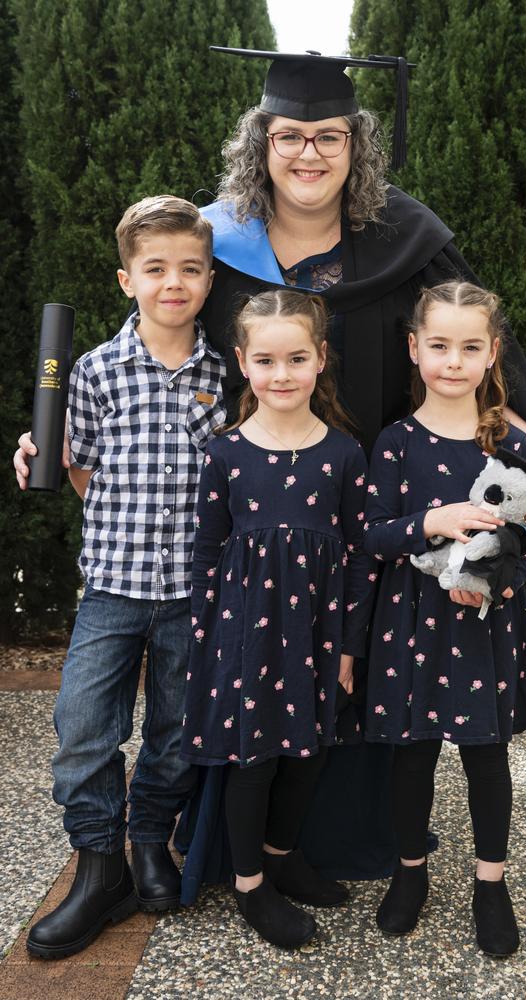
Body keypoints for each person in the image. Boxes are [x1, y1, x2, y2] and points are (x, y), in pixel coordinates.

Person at [15, 48, 526, 884]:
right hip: (254, 509)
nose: (310, 153)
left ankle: (337, 843)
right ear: (261, 142)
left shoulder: (407, 235)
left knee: (347, 666)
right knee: (244, 677)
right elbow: (158, 353)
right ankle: (218, 853)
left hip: (367, 493)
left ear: (357, 145)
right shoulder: (215, 241)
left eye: (330, 137)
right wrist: (58, 434)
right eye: (291, 135)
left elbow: (485, 344)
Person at [26, 196, 226, 959]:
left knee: (175, 733)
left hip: (193, 595)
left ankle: (150, 840)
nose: (173, 282)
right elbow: (73, 462)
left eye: (189, 269)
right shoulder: (93, 369)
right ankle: (98, 863)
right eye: (155, 269)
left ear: (208, 279)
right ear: (126, 279)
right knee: (83, 731)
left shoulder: (227, 370)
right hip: (112, 586)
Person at [180, 289, 375, 947]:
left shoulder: (345, 455)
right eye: (266, 361)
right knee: (254, 760)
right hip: (244, 640)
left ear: (321, 359)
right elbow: (207, 550)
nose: (283, 374)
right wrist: (210, 641)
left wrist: (348, 646)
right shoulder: (225, 453)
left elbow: (356, 555)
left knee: (309, 755)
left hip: (317, 638)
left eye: (297, 358)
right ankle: (250, 885)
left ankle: (284, 855)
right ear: (243, 362)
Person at [363, 280, 526, 955]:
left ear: (491, 353)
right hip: (410, 621)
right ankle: (410, 874)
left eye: (469, 347)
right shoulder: (395, 442)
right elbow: (373, 534)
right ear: (414, 349)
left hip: (484, 625)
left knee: (484, 755)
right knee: (410, 756)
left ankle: (490, 884)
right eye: (438, 345)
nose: (452, 360)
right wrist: (431, 522)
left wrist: (495, 586)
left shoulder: (509, 448)